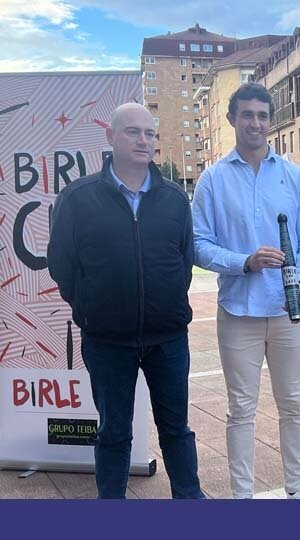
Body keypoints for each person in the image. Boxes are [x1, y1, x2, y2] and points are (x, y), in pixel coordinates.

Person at [47, 103, 204, 499]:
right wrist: (88, 307)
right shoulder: (78, 199)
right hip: (107, 340)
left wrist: (165, 303)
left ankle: (190, 500)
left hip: (167, 338)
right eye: (133, 132)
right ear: (111, 138)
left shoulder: (173, 199)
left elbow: (183, 262)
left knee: (176, 428)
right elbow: (61, 265)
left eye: (150, 133)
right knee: (114, 430)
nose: (143, 140)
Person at [192, 83, 300, 499]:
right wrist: (243, 261)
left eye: (262, 115)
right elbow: (198, 244)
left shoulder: (295, 176)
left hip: (288, 312)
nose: (256, 123)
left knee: (293, 405)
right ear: (232, 119)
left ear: (270, 120)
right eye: (247, 115)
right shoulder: (212, 180)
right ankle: (242, 497)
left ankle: (298, 491)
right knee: (241, 410)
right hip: (239, 311)